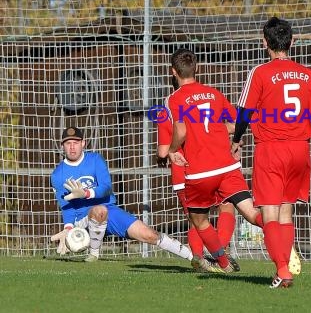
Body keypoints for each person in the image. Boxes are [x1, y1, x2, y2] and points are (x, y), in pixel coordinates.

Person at [231, 17, 311, 288]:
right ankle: (282, 271)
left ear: (265, 43)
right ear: (292, 41)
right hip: (300, 150)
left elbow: (245, 112)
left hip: (271, 150)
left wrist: (237, 139)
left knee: (270, 214)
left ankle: (283, 268)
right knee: (286, 213)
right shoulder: (308, 74)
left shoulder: (260, 73)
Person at [167, 48, 264, 274]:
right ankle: (281, 241)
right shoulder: (213, 93)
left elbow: (180, 131)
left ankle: (222, 264)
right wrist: (229, 136)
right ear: (197, 69)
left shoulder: (176, 98)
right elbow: (236, 122)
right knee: (251, 213)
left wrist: (173, 150)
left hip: (201, 172)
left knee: (198, 220)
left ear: (173, 72)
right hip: (228, 166)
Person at [50, 126, 196, 265]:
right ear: (62, 146)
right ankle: (93, 254)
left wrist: (85, 193)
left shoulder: (95, 160)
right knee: (99, 209)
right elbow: (66, 206)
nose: (72, 147)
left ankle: (193, 258)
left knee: (149, 234)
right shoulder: (57, 174)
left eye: (75, 142)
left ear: (83, 143)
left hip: (109, 210)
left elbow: (106, 188)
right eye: (68, 143)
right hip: (83, 220)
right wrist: (68, 228)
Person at [156, 76, 239, 273]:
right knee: (227, 206)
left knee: (195, 218)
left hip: (181, 173)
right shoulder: (208, 99)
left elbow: (162, 151)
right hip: (206, 165)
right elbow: (234, 123)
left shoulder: (164, 110)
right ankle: (220, 251)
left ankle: (199, 258)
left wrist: (163, 155)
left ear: (173, 79)